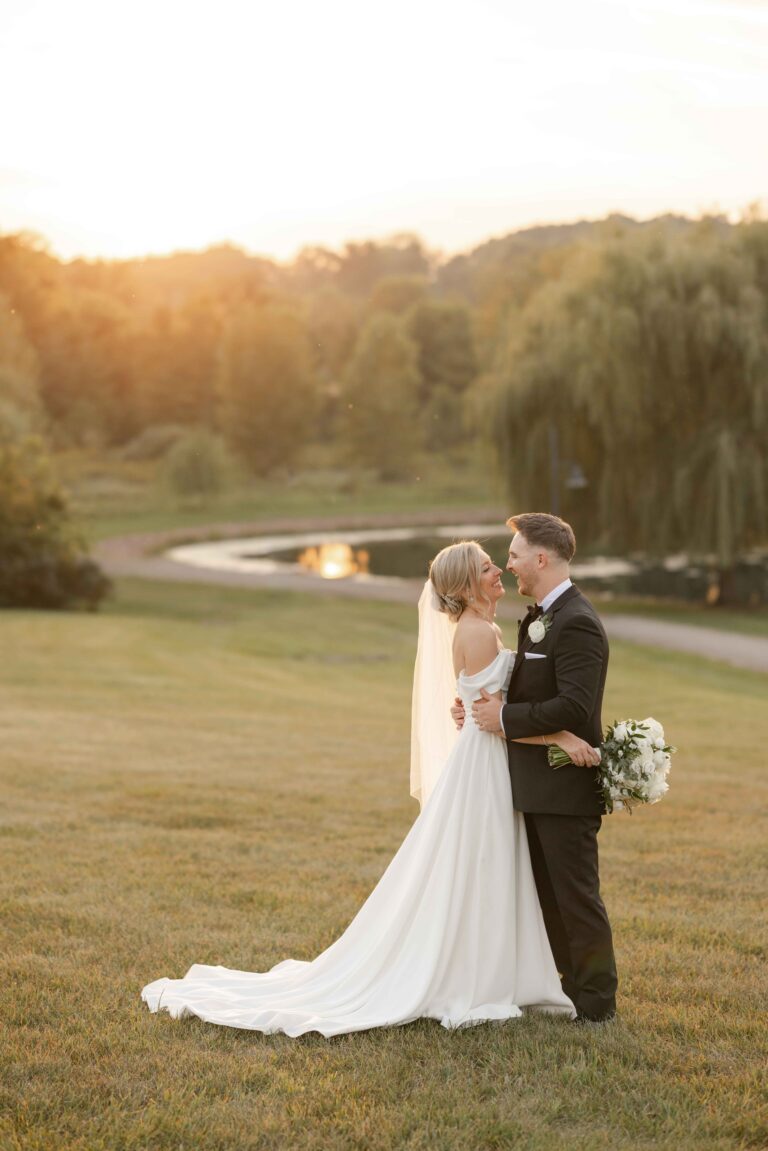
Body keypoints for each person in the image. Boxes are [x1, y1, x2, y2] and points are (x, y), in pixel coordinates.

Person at [141, 540, 596, 1037]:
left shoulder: (477, 628)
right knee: (482, 862)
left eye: (498, 564)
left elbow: (479, 707)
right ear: (466, 584)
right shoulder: (481, 631)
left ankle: (489, 966)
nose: (499, 572)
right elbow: (491, 717)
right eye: (489, 568)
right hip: (485, 763)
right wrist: (559, 735)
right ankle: (476, 973)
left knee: (479, 865)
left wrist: (473, 710)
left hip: (487, 759)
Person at [467, 513, 618, 1023]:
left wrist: (504, 717)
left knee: (576, 898)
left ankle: (597, 1002)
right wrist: (481, 708)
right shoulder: (541, 616)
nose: (507, 565)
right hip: (535, 786)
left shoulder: (576, 622)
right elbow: (535, 689)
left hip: (565, 787)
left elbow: (575, 707)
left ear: (540, 557)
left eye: (512, 555)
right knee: (550, 899)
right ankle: (572, 990)